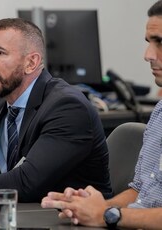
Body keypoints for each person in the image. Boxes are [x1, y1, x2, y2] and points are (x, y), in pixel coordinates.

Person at [0, 18, 112, 202]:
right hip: (15, 217)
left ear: (31, 63)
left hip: (67, 220)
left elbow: (27, 182)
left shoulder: (67, 108)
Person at [41, 1, 162, 228]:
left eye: (160, 42)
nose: (148, 55)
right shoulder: (160, 111)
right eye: (149, 42)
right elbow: (141, 193)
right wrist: (94, 208)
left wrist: (108, 216)